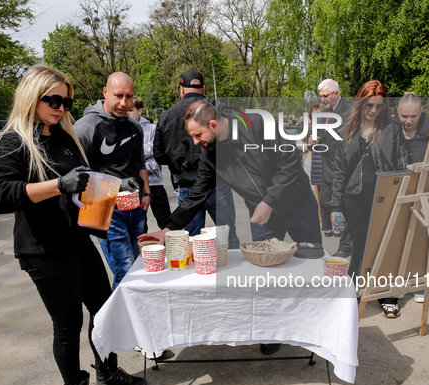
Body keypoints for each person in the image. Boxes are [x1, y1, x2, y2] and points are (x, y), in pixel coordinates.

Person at [0, 65, 143, 385]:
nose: (60, 109)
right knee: (69, 325)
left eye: (66, 103)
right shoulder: (13, 142)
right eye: (53, 101)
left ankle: (108, 373)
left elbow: (84, 179)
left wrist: (117, 184)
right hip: (43, 250)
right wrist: (57, 184)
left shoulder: (63, 138)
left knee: (103, 312)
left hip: (78, 240)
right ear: (32, 96)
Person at [140, 101, 323, 353]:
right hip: (262, 217)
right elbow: (198, 193)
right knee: (264, 275)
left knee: (311, 265)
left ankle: (314, 322)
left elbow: (290, 161)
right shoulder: (210, 152)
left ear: (213, 125)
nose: (195, 142)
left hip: (298, 205)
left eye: (197, 135)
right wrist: (168, 229)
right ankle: (271, 330)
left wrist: (269, 200)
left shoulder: (259, 123)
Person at [330, 80, 403, 318]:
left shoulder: (391, 130)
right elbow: (340, 172)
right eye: (369, 105)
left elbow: (399, 163)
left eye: (379, 107)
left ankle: (387, 295)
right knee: (360, 245)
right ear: (361, 103)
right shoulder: (346, 131)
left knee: (385, 244)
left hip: (385, 196)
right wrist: (335, 206)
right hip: (355, 198)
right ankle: (353, 290)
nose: (373, 111)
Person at [74, 72, 151, 291]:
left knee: (140, 267)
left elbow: (140, 163)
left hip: (135, 208)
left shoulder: (134, 127)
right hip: (106, 211)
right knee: (125, 271)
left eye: (129, 97)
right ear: (105, 93)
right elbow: (76, 174)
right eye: (118, 96)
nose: (123, 103)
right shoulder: (85, 127)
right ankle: (118, 322)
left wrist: (147, 193)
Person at [154, 69, 239, 248]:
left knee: (192, 243)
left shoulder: (166, 116)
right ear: (204, 88)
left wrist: (179, 162)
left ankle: (199, 273)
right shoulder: (218, 107)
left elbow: (159, 155)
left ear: (181, 89)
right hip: (218, 183)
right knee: (228, 238)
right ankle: (233, 273)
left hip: (185, 185)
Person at [385, 92, 429, 303]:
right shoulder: (390, 133)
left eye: (413, 116)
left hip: (426, 195)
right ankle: (399, 282)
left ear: (421, 112)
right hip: (398, 196)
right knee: (398, 239)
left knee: (422, 240)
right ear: (397, 113)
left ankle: (418, 281)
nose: (408, 121)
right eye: (404, 116)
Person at [313, 79, 354, 257]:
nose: (322, 99)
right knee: (324, 201)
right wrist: (316, 140)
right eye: (320, 96)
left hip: (344, 168)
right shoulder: (324, 113)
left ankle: (345, 244)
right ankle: (343, 232)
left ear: (335, 94)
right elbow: (321, 135)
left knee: (343, 205)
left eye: (325, 96)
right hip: (327, 166)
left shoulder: (350, 111)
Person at [128, 96, 171, 232]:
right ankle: (143, 251)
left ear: (140, 111)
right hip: (135, 185)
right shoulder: (124, 128)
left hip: (155, 183)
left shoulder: (152, 128)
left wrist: (134, 150)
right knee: (140, 224)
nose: (127, 113)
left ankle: (172, 250)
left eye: (131, 110)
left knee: (165, 221)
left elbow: (156, 151)